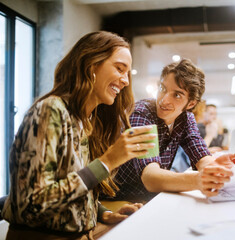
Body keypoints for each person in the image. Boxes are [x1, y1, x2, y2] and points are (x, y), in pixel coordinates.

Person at [1, 31, 156, 239]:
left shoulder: (84, 121)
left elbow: (69, 188)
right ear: (91, 65)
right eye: (120, 69)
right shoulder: (50, 110)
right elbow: (33, 204)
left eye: (128, 73)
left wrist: (104, 214)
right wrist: (107, 162)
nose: (126, 81)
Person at [111, 59, 235, 201]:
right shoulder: (141, 114)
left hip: (150, 200)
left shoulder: (186, 118)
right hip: (121, 201)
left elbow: (201, 155)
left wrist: (215, 169)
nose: (164, 100)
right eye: (163, 89)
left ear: (190, 103)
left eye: (177, 95)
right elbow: (150, 178)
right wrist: (197, 180)